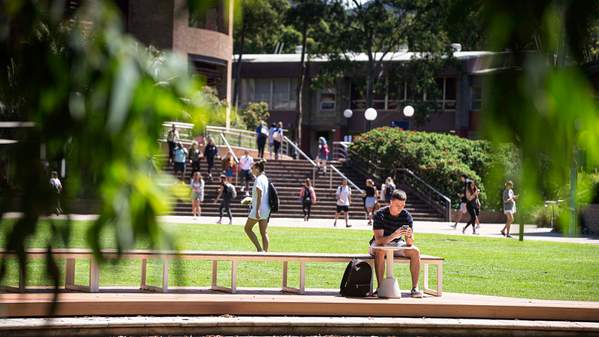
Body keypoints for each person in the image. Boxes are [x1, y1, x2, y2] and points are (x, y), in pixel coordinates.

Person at [369, 189, 423, 298]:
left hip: (398, 244)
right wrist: (394, 235)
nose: (400, 208)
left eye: (403, 205)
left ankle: (415, 288)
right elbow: (378, 240)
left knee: (415, 251)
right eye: (398, 205)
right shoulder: (380, 214)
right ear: (391, 202)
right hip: (379, 244)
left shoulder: (406, 216)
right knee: (380, 250)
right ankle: (380, 288)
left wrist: (409, 236)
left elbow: (409, 243)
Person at [244, 160, 271, 252]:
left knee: (247, 228)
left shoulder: (258, 179)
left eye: (253, 168)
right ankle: (266, 253)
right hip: (266, 209)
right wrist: (251, 200)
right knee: (264, 232)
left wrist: (257, 210)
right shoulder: (265, 178)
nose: (251, 170)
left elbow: (260, 194)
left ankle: (259, 250)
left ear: (258, 169)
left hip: (259, 209)